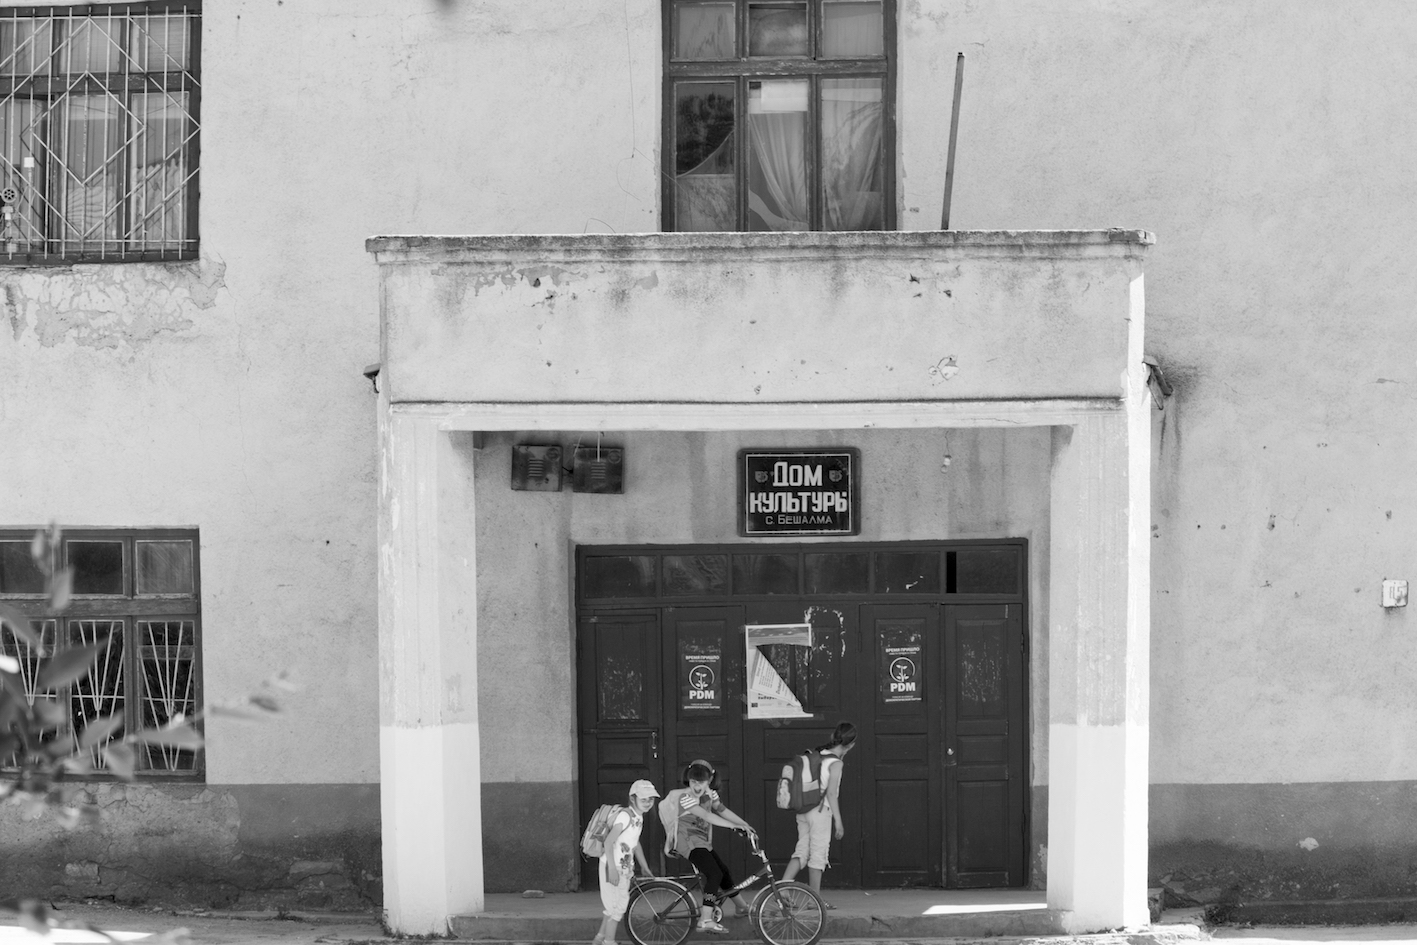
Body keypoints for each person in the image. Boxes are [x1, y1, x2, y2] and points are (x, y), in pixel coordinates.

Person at [659, 759, 757, 934]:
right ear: (688, 780)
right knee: (714, 874)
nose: (697, 786)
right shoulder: (685, 798)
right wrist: (734, 826)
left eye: (701, 782)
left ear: (709, 780)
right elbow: (706, 815)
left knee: (723, 872)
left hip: (701, 842)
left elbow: (722, 810)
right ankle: (705, 919)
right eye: (693, 781)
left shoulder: (711, 795)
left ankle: (741, 908)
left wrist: (745, 825)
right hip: (688, 842)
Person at [780, 721, 857, 907]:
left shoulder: (818, 754)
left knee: (802, 850)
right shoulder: (836, 763)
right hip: (820, 812)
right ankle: (815, 900)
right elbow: (831, 793)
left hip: (804, 809)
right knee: (818, 854)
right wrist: (838, 821)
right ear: (850, 744)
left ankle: (782, 889)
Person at [593, 778, 659, 945]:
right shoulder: (625, 816)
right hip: (613, 867)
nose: (648, 802)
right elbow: (608, 842)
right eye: (643, 799)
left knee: (612, 907)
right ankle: (609, 942)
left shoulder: (638, 817)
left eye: (650, 799)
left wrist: (644, 867)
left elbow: (635, 845)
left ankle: (599, 939)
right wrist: (612, 870)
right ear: (632, 798)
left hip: (624, 868)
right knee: (617, 908)